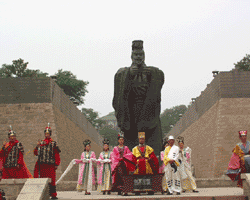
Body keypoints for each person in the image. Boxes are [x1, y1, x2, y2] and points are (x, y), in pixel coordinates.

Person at [112, 40, 165, 156]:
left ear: (144, 56)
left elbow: (160, 75)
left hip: (148, 110)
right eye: (136, 55)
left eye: (141, 54)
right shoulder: (124, 72)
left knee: (151, 140)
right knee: (132, 139)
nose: (138, 57)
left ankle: (153, 165)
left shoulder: (151, 72)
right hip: (131, 112)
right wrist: (129, 74)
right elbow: (118, 92)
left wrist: (151, 72)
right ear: (131, 56)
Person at [34, 125, 61, 200]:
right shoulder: (41, 143)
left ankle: (53, 194)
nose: (47, 135)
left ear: (50, 134)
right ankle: (44, 194)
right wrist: (37, 146)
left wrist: (56, 164)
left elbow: (57, 155)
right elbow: (36, 153)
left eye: (48, 133)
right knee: (43, 179)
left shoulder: (53, 143)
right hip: (42, 165)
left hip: (51, 165)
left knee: (52, 180)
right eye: (46, 134)